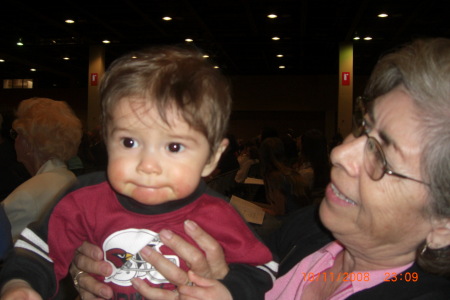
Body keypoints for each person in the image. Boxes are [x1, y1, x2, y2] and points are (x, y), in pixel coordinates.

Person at [65, 38, 450, 300]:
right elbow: (248, 261)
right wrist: (111, 269)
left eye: (382, 157)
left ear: (443, 223)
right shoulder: (311, 230)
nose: (341, 153)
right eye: (363, 127)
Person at [0, 45, 277, 300]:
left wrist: (229, 291)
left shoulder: (217, 214)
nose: (147, 164)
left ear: (211, 157)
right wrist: (20, 285)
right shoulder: (84, 200)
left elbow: (262, 267)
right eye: (129, 142)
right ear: (108, 140)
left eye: (174, 146)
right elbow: (39, 250)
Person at [1, 98, 82, 241]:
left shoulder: (26, 197)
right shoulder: (68, 178)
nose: (15, 141)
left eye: (17, 135)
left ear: (30, 144)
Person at [258, 137, 309, 216]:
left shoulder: (274, 177)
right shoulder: (289, 172)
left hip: (290, 222)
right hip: (301, 219)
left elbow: (279, 212)